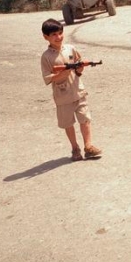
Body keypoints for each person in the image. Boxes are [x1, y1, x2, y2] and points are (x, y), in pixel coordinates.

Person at [40, 18, 102, 162]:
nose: (58, 37)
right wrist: (61, 74)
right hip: (62, 96)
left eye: (60, 33)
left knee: (85, 119)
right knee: (68, 124)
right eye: (54, 35)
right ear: (46, 37)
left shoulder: (70, 49)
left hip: (78, 91)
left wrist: (79, 70)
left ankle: (88, 146)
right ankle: (75, 148)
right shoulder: (46, 57)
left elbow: (78, 67)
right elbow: (47, 78)